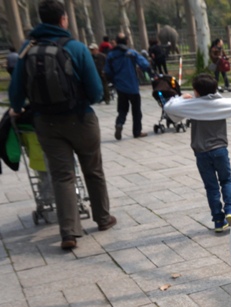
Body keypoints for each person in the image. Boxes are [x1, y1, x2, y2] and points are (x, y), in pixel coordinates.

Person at [9, 0, 116, 250]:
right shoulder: (75, 47)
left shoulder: (28, 49)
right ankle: (102, 218)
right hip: (81, 119)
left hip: (46, 123)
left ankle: (69, 232)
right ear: (63, 19)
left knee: (62, 176)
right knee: (93, 170)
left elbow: (15, 94)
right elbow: (96, 91)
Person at [164, 73, 231, 233]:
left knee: (211, 187)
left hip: (201, 152)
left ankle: (218, 221)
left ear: (196, 91)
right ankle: (230, 210)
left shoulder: (192, 105)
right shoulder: (220, 104)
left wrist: (182, 98)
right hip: (220, 150)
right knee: (226, 180)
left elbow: (168, 107)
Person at [104, 33, 151, 139]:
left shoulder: (111, 55)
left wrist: (114, 80)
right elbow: (144, 64)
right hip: (133, 86)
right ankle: (137, 132)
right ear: (127, 41)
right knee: (136, 111)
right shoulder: (131, 53)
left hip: (120, 87)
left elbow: (107, 71)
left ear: (116, 42)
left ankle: (119, 123)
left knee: (122, 109)